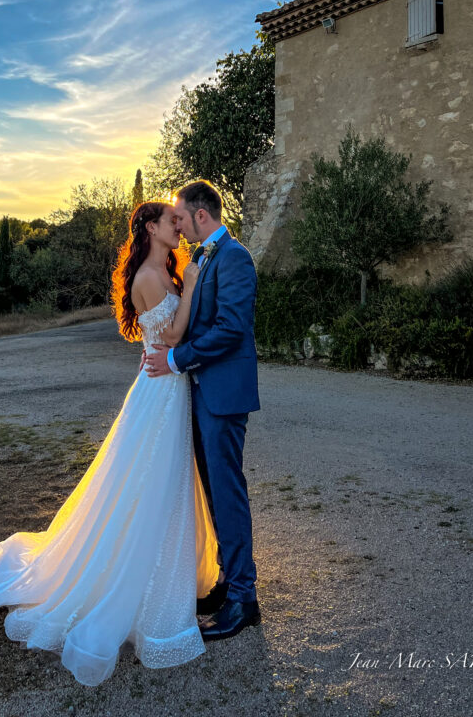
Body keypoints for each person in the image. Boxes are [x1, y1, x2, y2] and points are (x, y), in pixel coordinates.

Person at [0, 200, 220, 687]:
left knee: (168, 484)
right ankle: (135, 587)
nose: (178, 228)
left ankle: (172, 575)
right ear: (150, 227)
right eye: (171, 222)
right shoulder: (147, 275)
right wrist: (198, 279)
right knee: (150, 483)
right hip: (159, 391)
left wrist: (190, 274)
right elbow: (176, 332)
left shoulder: (166, 266)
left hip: (168, 386)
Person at [144, 180, 261, 642]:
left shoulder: (235, 258)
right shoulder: (202, 258)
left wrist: (174, 359)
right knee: (213, 492)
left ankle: (244, 602)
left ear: (201, 215)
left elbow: (231, 329)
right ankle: (230, 585)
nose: (178, 224)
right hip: (202, 392)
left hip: (225, 395)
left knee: (227, 493)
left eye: (181, 216)